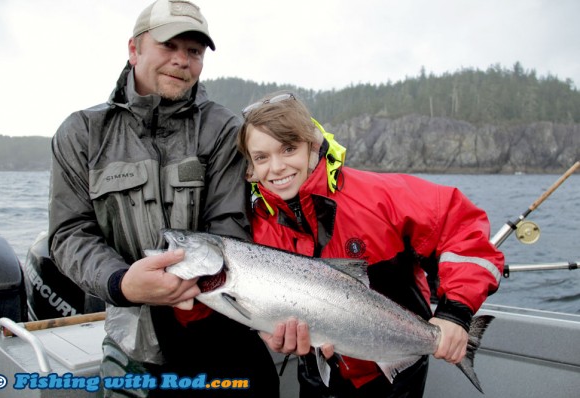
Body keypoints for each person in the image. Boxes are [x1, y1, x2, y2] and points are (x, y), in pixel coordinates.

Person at [48, 1, 279, 397]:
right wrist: (122, 283)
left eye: (194, 51)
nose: (182, 61)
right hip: (130, 335)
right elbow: (69, 233)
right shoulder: (81, 132)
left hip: (216, 325)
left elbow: (228, 226)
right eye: (169, 46)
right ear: (134, 49)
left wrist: (185, 284)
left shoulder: (225, 128)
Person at [236, 92, 505, 397]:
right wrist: (267, 331)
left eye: (288, 148)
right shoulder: (256, 231)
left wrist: (455, 313)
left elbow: (463, 227)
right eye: (261, 157)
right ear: (250, 166)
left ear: (312, 145)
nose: (277, 167)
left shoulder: (379, 197)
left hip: (395, 374)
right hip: (317, 370)